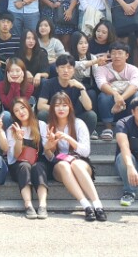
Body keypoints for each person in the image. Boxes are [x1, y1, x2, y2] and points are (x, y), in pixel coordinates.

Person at [44, 92, 107, 221]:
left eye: (64, 105)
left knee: (75, 164)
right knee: (64, 165)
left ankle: (98, 205)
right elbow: (50, 158)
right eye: (57, 105)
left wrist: (69, 139)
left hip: (80, 161)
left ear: (70, 107)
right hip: (59, 165)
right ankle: (86, 206)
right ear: (52, 108)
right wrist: (49, 146)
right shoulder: (48, 127)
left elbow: (85, 152)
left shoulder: (79, 123)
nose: (61, 109)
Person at [3, 98, 51, 219]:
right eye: (16, 110)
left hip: (37, 162)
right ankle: (28, 204)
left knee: (39, 166)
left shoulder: (41, 125)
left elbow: (47, 151)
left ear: (29, 108)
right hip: (19, 165)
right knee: (25, 166)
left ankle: (42, 204)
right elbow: (15, 155)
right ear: (14, 114)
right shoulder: (11, 129)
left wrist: (51, 144)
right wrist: (19, 139)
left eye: (22, 108)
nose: (21, 112)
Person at [95, 42, 138, 141]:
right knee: (103, 96)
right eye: (113, 53)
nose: (116, 56)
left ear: (127, 55)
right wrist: (116, 94)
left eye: (120, 53)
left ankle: (132, 126)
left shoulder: (133, 69)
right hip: (111, 99)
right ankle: (108, 128)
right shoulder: (102, 69)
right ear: (110, 55)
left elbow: (134, 86)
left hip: (126, 100)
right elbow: (101, 85)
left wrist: (120, 98)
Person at [0, 58, 35, 128]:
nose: (14, 74)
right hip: (8, 115)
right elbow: (8, 105)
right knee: (6, 115)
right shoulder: (0, 85)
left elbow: (19, 105)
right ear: (7, 72)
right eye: (11, 71)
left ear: (23, 72)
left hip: (23, 114)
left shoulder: (29, 87)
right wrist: (14, 85)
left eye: (17, 71)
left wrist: (15, 84)